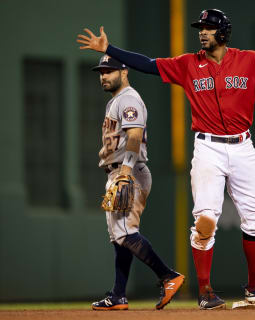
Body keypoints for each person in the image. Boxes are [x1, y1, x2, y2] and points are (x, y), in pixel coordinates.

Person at [77, 8, 255, 310]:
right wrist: (109, 50)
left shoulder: (250, 61)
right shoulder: (188, 64)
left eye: (208, 28)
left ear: (223, 32)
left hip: (243, 146)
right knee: (205, 219)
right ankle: (205, 291)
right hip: (208, 148)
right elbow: (148, 65)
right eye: (199, 28)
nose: (201, 32)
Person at [89, 54, 184, 311]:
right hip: (121, 170)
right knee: (119, 235)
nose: (104, 76)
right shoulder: (118, 101)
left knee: (124, 233)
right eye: (101, 72)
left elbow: (134, 135)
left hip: (128, 170)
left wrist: (126, 172)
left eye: (109, 71)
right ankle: (118, 295)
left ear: (124, 71)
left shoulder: (129, 99)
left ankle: (168, 276)